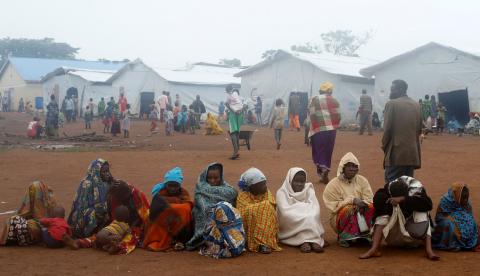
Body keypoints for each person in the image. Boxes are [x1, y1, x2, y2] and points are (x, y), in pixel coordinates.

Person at [360, 176, 439, 261]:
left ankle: (429, 250)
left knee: (422, 213)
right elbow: (377, 202)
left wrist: (404, 199)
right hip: (393, 239)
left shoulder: (416, 189)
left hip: (414, 237)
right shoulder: (387, 190)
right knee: (382, 216)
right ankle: (374, 249)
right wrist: (391, 203)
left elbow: (428, 204)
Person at [323, 152, 375, 247]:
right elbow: (333, 206)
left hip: (361, 211)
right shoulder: (333, 184)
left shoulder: (362, 180)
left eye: (355, 166)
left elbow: (369, 198)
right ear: (343, 168)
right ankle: (345, 237)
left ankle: (364, 235)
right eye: (349, 166)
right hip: (339, 217)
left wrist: (363, 204)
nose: (352, 169)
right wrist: (352, 201)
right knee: (349, 210)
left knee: (372, 207)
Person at [186, 163, 238, 250]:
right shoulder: (200, 188)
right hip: (204, 218)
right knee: (206, 210)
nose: (212, 181)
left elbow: (233, 193)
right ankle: (205, 239)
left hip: (223, 222)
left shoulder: (228, 189)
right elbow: (201, 205)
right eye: (209, 178)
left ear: (221, 177)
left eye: (216, 178)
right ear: (205, 177)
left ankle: (224, 239)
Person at [144, 167, 193, 251]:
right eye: (170, 185)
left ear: (180, 185)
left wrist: (173, 208)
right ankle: (165, 240)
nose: (173, 188)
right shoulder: (160, 193)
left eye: (175, 186)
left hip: (179, 224)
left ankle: (179, 240)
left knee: (186, 210)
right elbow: (156, 208)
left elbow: (188, 206)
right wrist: (172, 208)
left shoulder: (184, 193)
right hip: (163, 224)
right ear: (165, 184)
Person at [382, 80, 422, 183]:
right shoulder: (416, 105)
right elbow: (418, 129)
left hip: (396, 153)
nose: (390, 92)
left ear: (399, 89)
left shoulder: (391, 104)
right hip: (412, 154)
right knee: (407, 186)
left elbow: (387, 130)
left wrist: (384, 146)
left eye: (392, 89)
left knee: (391, 186)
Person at [277, 167, 325, 253]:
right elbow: (284, 212)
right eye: (296, 181)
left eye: (302, 182)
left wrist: (299, 208)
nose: (299, 184)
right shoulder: (282, 192)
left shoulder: (309, 189)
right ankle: (304, 241)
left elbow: (315, 208)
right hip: (290, 221)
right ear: (290, 181)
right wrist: (304, 208)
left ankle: (313, 241)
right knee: (305, 217)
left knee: (311, 216)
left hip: (306, 215)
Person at [237, 168, 281, 254]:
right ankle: (257, 243)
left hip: (266, 225)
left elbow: (272, 205)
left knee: (267, 207)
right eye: (261, 185)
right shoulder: (243, 196)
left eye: (265, 183)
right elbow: (241, 212)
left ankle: (265, 243)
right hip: (250, 226)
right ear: (251, 187)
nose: (265, 186)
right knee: (264, 206)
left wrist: (261, 208)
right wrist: (259, 209)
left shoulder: (267, 193)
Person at [0, 181, 58, 246]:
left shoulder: (50, 202)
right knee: (12, 219)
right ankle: (9, 240)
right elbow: (24, 211)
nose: (31, 194)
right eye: (30, 191)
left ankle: (24, 241)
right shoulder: (31, 199)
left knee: (22, 227)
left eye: (34, 192)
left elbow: (52, 221)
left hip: (42, 227)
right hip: (32, 222)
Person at [68, 159, 114, 238]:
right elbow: (99, 207)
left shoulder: (101, 183)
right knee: (94, 212)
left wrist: (111, 181)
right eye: (104, 172)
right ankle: (89, 233)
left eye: (108, 171)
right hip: (82, 218)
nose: (107, 174)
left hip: (93, 213)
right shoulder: (88, 184)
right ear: (96, 172)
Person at [308, 82, 341, 184]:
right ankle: (325, 169)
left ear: (320, 90)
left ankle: (322, 169)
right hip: (331, 130)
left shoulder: (314, 99)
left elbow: (311, 114)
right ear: (330, 91)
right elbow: (338, 116)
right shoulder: (335, 100)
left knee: (318, 150)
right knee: (328, 150)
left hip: (318, 129)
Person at [432, 182, 479, 251]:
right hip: (445, 220)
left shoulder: (466, 201)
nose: (465, 200)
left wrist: (463, 218)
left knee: (471, 221)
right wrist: (454, 218)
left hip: (459, 216)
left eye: (466, 198)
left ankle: (466, 242)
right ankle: (451, 244)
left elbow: (469, 213)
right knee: (449, 225)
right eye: (463, 198)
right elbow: (439, 217)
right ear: (457, 195)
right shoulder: (445, 201)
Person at [225, 85, 244, 160]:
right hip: (240, 114)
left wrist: (233, 110)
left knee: (233, 132)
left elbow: (226, 104)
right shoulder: (238, 96)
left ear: (227, 90)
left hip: (233, 114)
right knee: (237, 132)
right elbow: (244, 106)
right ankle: (237, 150)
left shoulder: (229, 95)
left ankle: (235, 151)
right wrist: (240, 111)